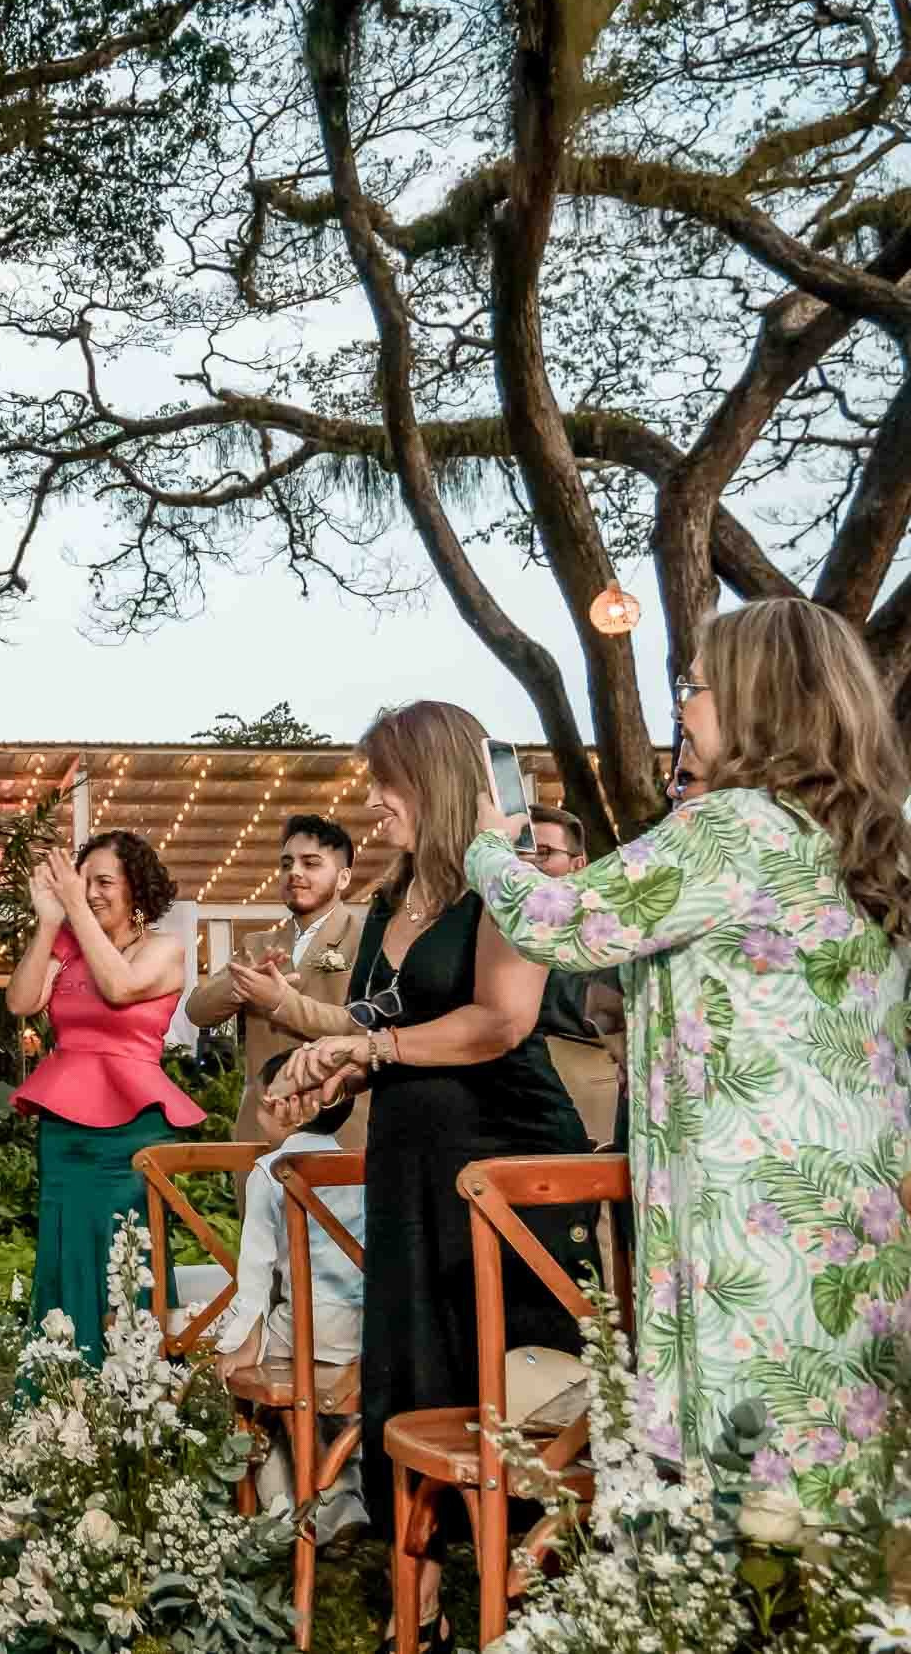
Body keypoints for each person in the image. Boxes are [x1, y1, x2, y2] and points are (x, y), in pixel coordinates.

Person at [467, 600, 911, 1511]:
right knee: (844, 1478)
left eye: (698, 686)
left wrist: (487, 843)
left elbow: (558, 919)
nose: (682, 705)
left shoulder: (731, 828)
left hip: (754, 1206)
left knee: (748, 1484)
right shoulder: (867, 843)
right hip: (862, 1200)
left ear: (760, 701)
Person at [278, 700, 589, 1652]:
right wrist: (325, 1069)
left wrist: (375, 1050)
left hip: (505, 1169)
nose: (374, 802)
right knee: (405, 1374)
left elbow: (500, 1020)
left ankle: (540, 1601)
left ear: (438, 780)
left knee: (511, 1387)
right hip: (408, 1169)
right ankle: (415, 1614)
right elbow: (377, 1028)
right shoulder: (388, 900)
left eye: (389, 783)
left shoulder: (507, 886)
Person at [5, 830, 200, 1362]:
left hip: (133, 1131)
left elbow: (120, 987)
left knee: (131, 1251)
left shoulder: (163, 949)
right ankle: (65, 1385)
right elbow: (21, 1001)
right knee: (65, 1250)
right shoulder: (66, 947)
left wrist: (73, 906)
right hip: (65, 1129)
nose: (89, 892)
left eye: (104, 882)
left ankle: (136, 1387)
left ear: (135, 887)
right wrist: (49, 922)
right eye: (82, 880)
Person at [216, 1052, 365, 1539]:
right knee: (333, 1408)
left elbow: (255, 1275)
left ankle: (290, 1504)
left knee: (262, 1386)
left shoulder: (270, 1172)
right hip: (362, 1329)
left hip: (307, 1326)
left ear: (291, 1109)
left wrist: (241, 1342)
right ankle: (344, 1498)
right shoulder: (357, 1165)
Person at [186, 814, 367, 1145]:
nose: (294, 872)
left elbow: (363, 1029)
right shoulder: (257, 946)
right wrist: (240, 985)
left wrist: (281, 1002)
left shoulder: (367, 941)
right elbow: (197, 1010)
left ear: (343, 878)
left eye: (310, 863)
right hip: (262, 1127)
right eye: (286, 864)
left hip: (341, 1128)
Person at [525, 803, 625, 1146]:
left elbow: (597, 1009)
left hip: (585, 1102)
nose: (529, 863)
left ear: (578, 864)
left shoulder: (607, 927)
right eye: (520, 852)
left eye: (543, 852)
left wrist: (515, 989)